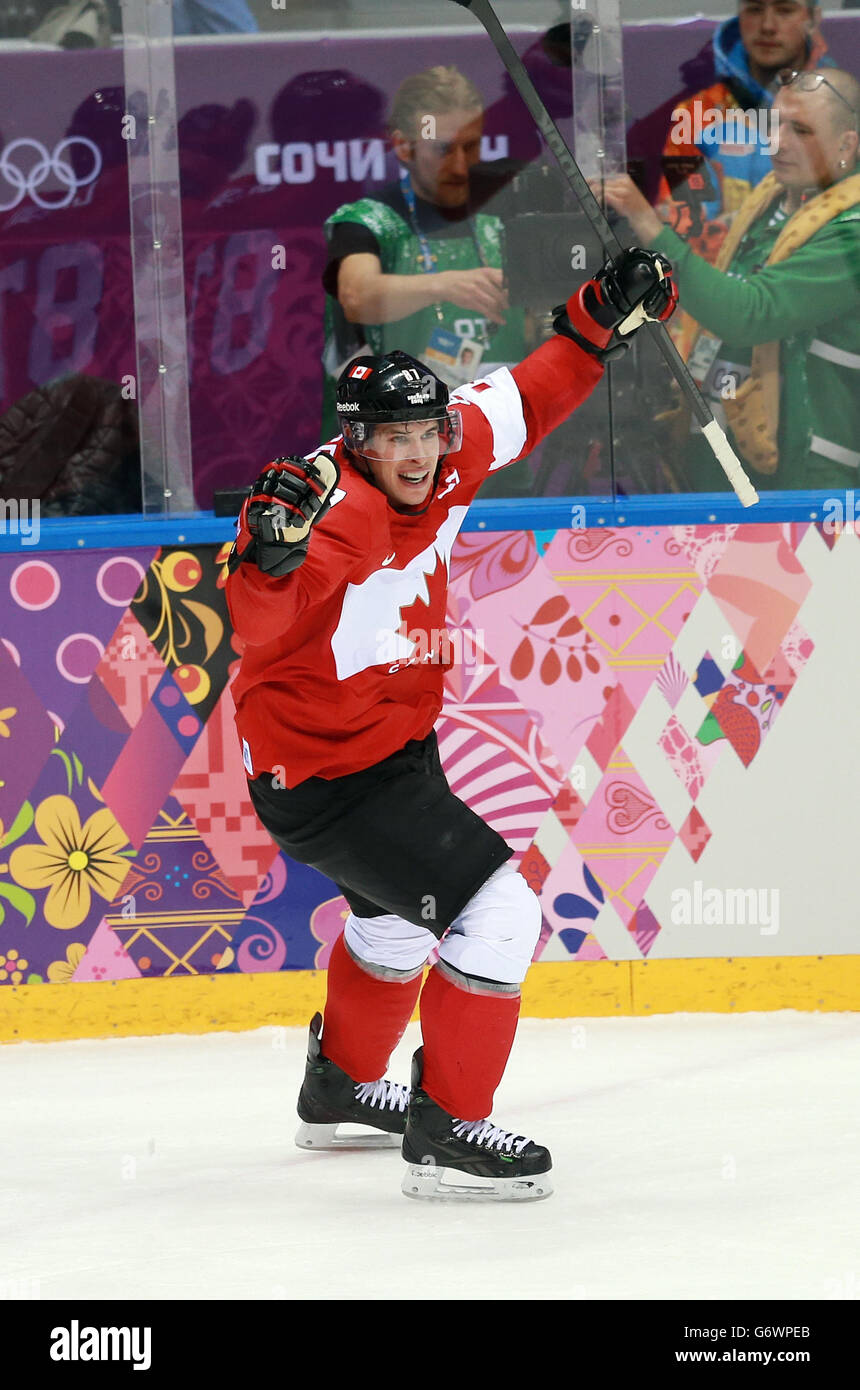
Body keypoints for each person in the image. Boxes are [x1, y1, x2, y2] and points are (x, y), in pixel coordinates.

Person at [224, 245, 678, 1202]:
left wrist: (600, 315)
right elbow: (258, 622)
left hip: (390, 753)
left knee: (393, 926)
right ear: (356, 442)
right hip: (327, 778)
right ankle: (447, 1129)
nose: (421, 454)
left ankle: (341, 1085)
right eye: (396, 439)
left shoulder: (444, 450)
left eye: (428, 433)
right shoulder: (329, 511)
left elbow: (529, 393)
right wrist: (266, 556)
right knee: (500, 914)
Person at [603, 68, 860, 492]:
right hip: (722, 453)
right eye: (774, 124)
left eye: (800, 130)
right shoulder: (769, 203)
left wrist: (648, 224)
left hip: (809, 478)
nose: (778, 141)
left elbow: (750, 313)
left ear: (846, 144)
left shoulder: (851, 230)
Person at [320, 65, 527, 436]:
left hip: (500, 434)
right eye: (444, 149)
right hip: (389, 444)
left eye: (471, 146)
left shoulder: (508, 209)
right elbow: (357, 295)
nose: (461, 166)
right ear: (404, 146)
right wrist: (444, 286)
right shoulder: (366, 221)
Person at [629, 1, 832, 261]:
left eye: (785, 10)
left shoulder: (842, 108)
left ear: (813, 18)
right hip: (722, 287)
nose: (768, 26)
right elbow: (682, 229)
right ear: (740, 15)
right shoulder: (699, 113)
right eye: (755, 9)